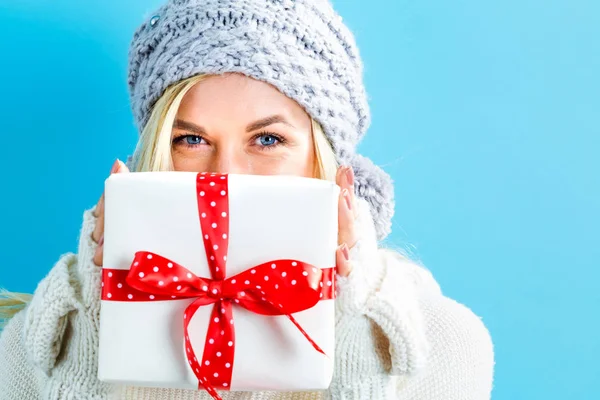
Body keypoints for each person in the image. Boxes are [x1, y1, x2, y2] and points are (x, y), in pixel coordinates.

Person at [0, 0, 494, 399]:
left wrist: (354, 334)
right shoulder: (43, 335)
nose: (227, 175)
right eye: (191, 140)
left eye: (268, 140)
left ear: (326, 160)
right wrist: (94, 322)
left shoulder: (439, 341)